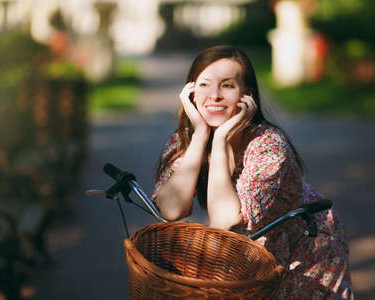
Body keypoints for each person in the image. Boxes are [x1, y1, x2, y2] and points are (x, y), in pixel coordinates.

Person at [152, 45, 354, 299]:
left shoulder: (268, 144)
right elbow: (171, 209)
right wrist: (201, 135)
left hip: (306, 246)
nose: (214, 95)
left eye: (227, 85)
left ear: (246, 94)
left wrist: (222, 138)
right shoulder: (185, 141)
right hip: (250, 251)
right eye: (204, 85)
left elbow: (224, 223)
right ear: (190, 92)